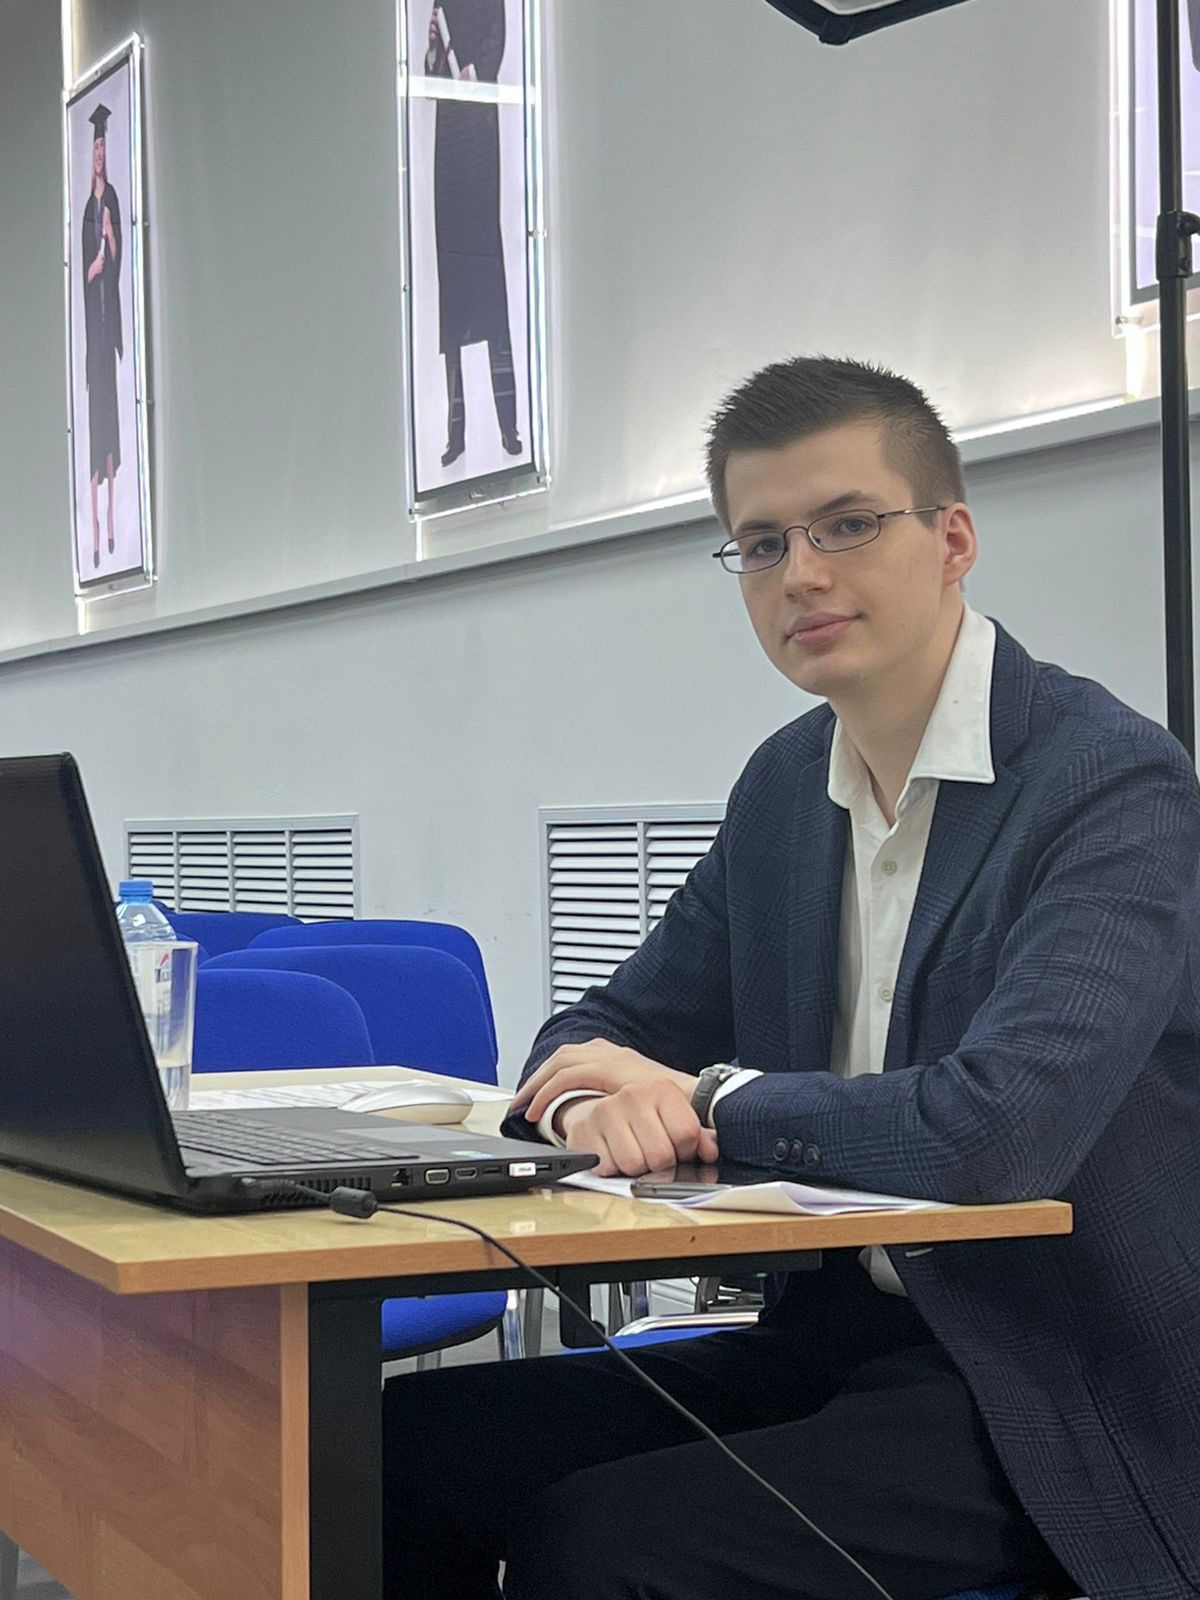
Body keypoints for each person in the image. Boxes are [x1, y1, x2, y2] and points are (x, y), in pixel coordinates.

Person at [381, 356, 1200, 1600]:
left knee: (607, 1541)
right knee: (400, 1450)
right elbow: (599, 1026)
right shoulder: (783, 788)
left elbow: (999, 1134)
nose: (801, 573)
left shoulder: (1111, 783)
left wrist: (706, 1099)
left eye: (848, 524)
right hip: (834, 1339)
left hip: (1063, 1381)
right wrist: (590, 1100)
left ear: (953, 539)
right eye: (761, 544)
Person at [426, 0, 523, 468]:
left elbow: (494, 43)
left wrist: (474, 73)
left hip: (479, 129)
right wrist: (433, 51)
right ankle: (456, 430)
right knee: (453, 285)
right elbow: (429, 70)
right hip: (449, 134)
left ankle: (509, 424)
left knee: (488, 279)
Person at [81, 101, 123, 568]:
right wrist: (91, 270)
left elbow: (118, 257)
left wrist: (110, 238)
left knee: (110, 420)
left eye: (102, 148)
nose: (98, 154)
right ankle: (92, 527)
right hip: (93, 335)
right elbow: (85, 273)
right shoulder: (84, 211)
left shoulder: (109, 200)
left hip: (108, 330)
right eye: (94, 148)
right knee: (95, 424)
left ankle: (112, 520)